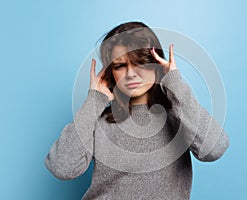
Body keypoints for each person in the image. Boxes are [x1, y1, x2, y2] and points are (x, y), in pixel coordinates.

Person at [45, 21, 230, 200]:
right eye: (120, 65)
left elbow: (214, 149)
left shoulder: (180, 116)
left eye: (140, 62)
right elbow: (62, 167)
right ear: (110, 73)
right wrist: (94, 101)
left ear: (156, 63)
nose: (131, 73)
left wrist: (174, 83)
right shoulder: (98, 122)